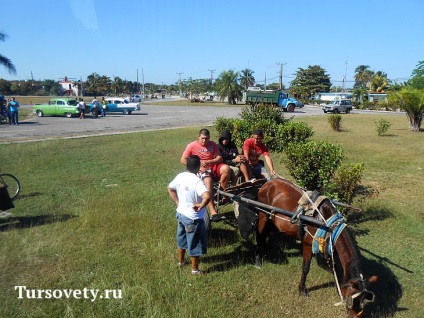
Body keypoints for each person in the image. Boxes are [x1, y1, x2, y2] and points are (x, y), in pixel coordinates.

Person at [168, 155, 211, 275]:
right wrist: (201, 205)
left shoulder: (180, 176)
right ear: (198, 167)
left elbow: (170, 188)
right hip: (193, 219)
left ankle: (181, 262)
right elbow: (207, 196)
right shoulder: (197, 181)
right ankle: (195, 270)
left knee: (181, 238)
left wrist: (177, 202)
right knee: (194, 243)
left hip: (181, 214)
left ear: (187, 165)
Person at [181, 128, 230, 222]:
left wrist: (209, 161)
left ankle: (222, 195)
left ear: (209, 138)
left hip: (212, 166)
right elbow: (183, 159)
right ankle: (213, 211)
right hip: (201, 170)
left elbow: (219, 158)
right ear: (198, 137)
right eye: (202, 138)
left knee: (226, 168)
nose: (204, 140)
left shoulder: (213, 145)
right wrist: (197, 167)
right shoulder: (191, 146)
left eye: (206, 138)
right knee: (208, 180)